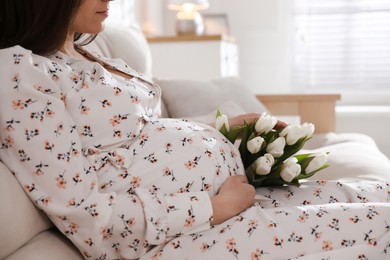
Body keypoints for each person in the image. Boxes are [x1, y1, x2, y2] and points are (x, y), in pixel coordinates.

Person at [0, 1, 389, 259]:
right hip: (177, 238)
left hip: (222, 208)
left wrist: (220, 128)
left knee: (380, 194)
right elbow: (85, 215)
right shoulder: (19, 72)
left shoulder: (84, 54)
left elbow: (138, 137)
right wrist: (214, 207)